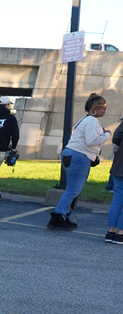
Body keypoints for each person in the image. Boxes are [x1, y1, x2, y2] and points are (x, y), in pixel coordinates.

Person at [48, 93, 112, 230]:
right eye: (103, 108)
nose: (105, 111)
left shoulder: (84, 120)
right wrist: (107, 135)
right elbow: (92, 141)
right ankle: (58, 217)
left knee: (71, 189)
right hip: (79, 156)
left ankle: (61, 216)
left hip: (70, 154)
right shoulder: (93, 121)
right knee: (73, 190)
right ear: (95, 108)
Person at [105, 122, 123, 243]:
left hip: (119, 165)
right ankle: (121, 233)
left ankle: (111, 231)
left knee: (117, 198)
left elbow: (116, 137)